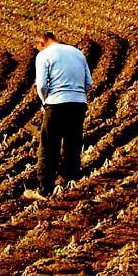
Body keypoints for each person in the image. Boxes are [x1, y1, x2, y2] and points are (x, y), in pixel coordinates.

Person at [23, 30, 92, 200]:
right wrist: (77, 95)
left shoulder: (44, 55)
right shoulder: (78, 53)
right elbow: (88, 83)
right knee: (72, 142)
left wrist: (45, 101)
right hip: (78, 103)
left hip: (56, 103)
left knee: (49, 145)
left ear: (42, 43)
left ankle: (44, 190)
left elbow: (41, 85)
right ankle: (71, 180)